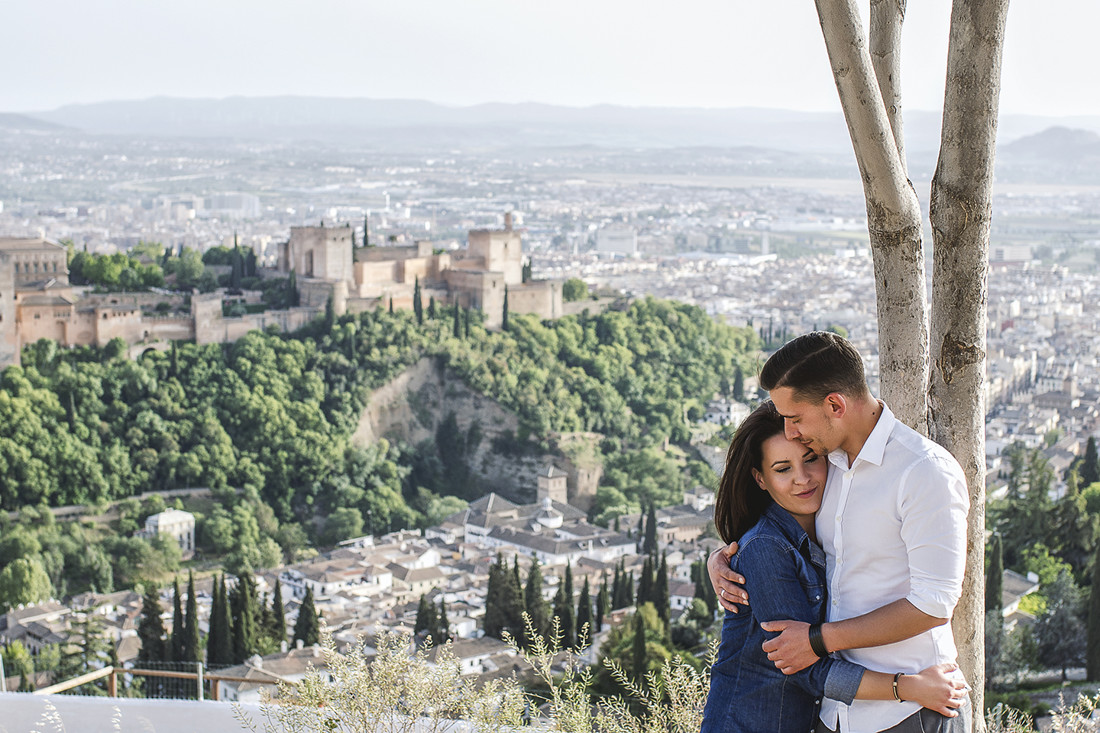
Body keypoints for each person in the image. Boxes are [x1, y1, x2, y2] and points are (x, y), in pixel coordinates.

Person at [708, 332, 971, 733]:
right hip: (835, 715)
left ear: (835, 405)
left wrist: (818, 639)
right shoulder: (826, 466)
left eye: (794, 419)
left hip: (912, 709)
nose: (792, 432)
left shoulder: (922, 471)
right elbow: (775, 527)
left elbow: (934, 603)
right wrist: (726, 558)